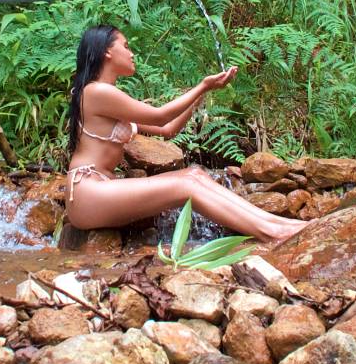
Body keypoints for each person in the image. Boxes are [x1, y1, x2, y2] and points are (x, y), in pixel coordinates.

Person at [64, 24, 308, 241]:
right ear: (107, 52)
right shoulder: (96, 92)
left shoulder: (106, 96)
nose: (132, 53)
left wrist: (203, 93)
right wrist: (202, 86)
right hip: (87, 193)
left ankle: (283, 224)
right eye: (126, 46)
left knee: (195, 174)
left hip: (101, 190)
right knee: (187, 184)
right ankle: (272, 233)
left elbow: (167, 129)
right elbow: (160, 115)